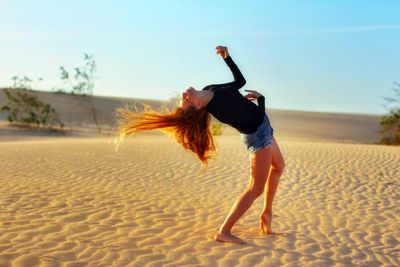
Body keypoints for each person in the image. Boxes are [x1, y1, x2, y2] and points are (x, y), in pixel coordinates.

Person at [115, 45, 285, 244]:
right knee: (255, 188)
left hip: (264, 128)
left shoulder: (208, 90)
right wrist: (262, 99)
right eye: (186, 101)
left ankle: (266, 213)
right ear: (197, 106)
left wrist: (227, 58)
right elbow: (255, 117)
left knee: (279, 167)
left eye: (183, 99)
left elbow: (240, 82)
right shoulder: (219, 108)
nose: (184, 95)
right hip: (258, 135)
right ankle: (224, 231)